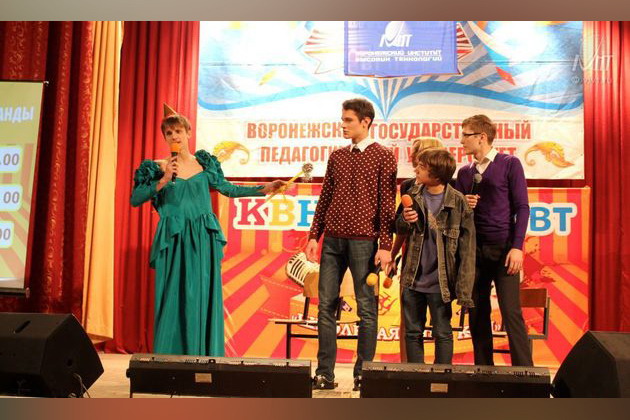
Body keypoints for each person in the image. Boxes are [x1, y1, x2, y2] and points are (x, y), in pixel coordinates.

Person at [130, 104, 285, 356]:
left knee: (201, 293)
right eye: (169, 133)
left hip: (202, 237)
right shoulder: (157, 167)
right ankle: (169, 355)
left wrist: (263, 188)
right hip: (173, 238)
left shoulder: (204, 164)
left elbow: (228, 189)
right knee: (172, 295)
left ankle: (201, 353)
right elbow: (136, 199)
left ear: (189, 133)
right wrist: (164, 180)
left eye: (178, 131)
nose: (174, 136)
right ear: (165, 138)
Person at [305, 98, 397, 391]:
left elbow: (387, 204)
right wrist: (313, 236)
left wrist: (385, 245)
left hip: (364, 242)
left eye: (348, 120)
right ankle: (325, 374)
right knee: (325, 306)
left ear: (365, 122)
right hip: (332, 239)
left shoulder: (383, 156)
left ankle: (363, 373)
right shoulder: (337, 156)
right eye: (342, 119)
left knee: (367, 308)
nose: (343, 125)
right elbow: (325, 198)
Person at [454, 114, 533, 366]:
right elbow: (456, 216)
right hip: (473, 252)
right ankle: (483, 371)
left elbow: (522, 207)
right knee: (477, 313)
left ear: (481, 137)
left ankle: (526, 374)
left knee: (511, 312)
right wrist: (464, 205)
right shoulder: (464, 173)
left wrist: (517, 247)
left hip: (503, 250)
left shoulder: (510, 164)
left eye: (465, 135)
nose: (461, 140)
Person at [397, 148, 475, 364]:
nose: (416, 169)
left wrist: (464, 290)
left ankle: (442, 377)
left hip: (441, 284)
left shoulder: (458, 202)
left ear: (437, 174)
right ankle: (417, 378)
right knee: (412, 332)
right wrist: (404, 219)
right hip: (413, 279)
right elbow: (398, 228)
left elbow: (467, 250)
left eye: (422, 167)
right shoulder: (412, 194)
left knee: (442, 332)